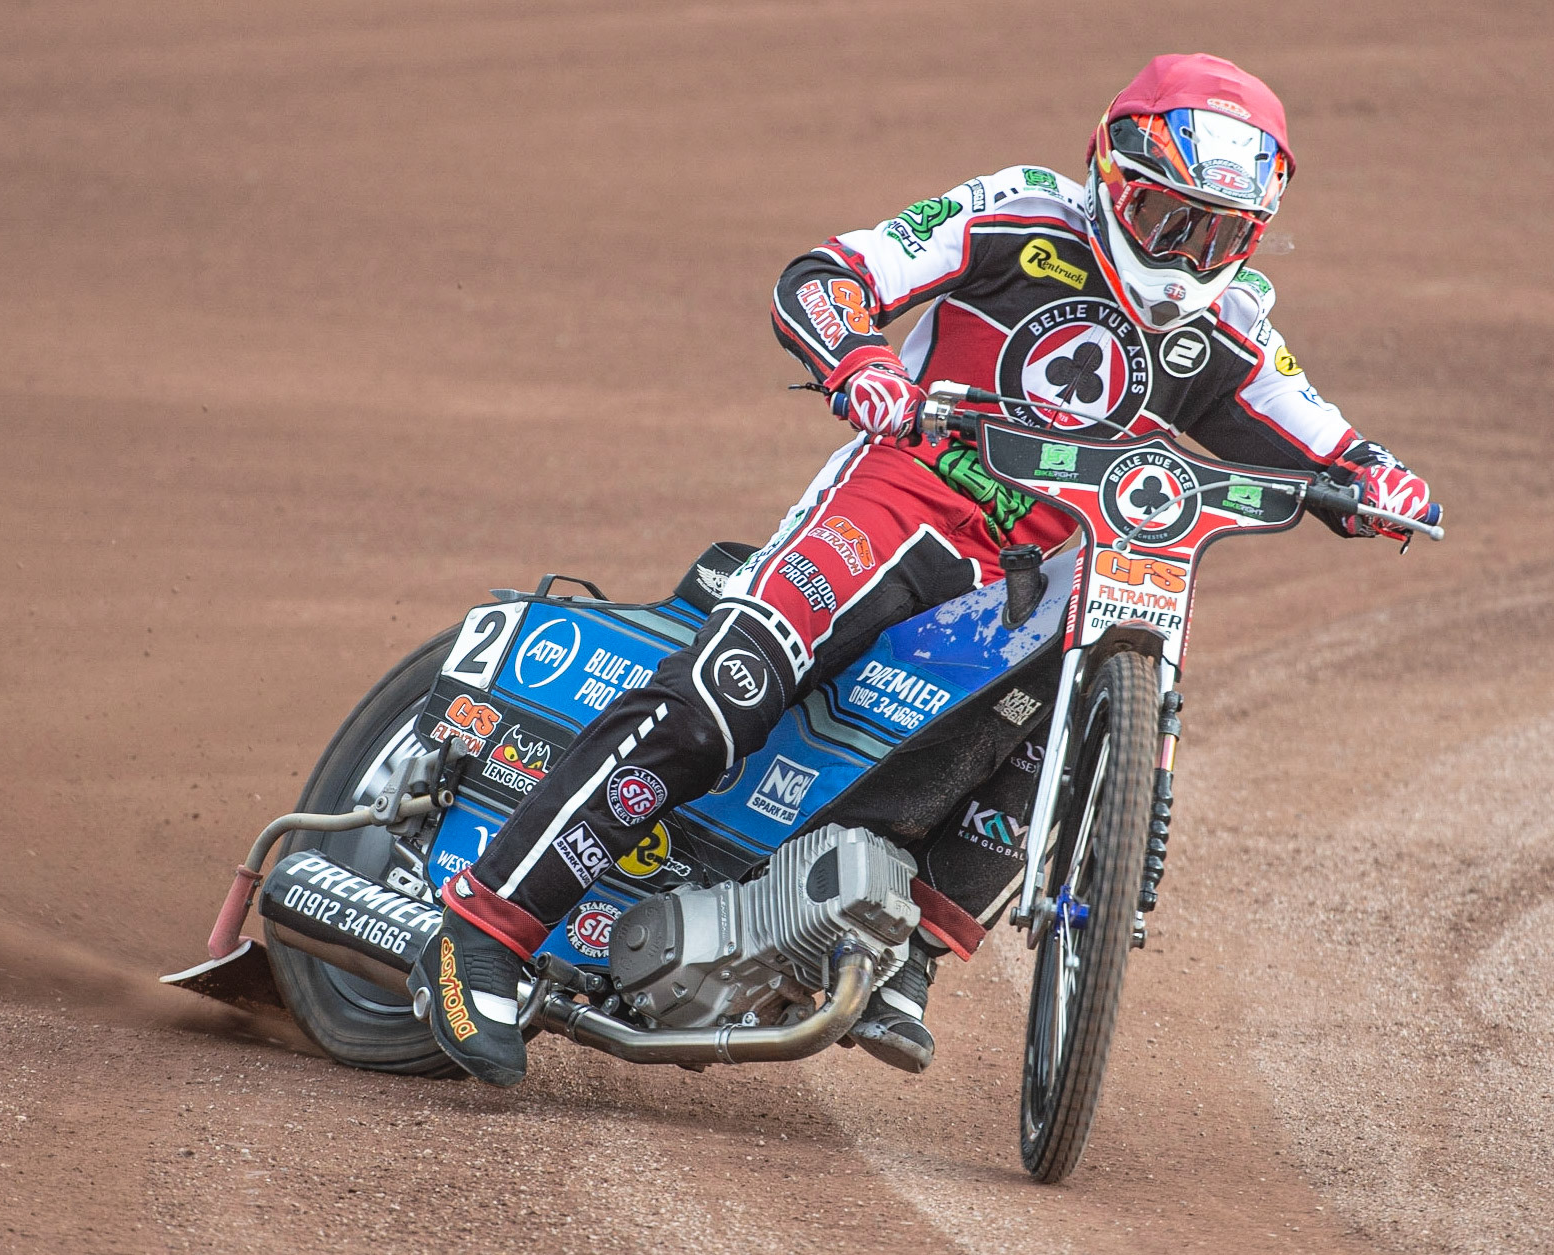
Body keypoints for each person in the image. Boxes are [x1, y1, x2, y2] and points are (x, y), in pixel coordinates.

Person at [407, 52, 1437, 1086]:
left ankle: (909, 944)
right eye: (1168, 218)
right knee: (729, 691)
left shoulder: (1230, 321)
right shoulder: (1021, 213)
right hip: (898, 497)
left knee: (1078, 674)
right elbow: (826, 277)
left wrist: (1377, 479)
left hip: (1031, 568)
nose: (1185, 254)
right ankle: (485, 928)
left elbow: (1318, 432)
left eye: (1214, 234)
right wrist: (858, 359)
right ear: (1111, 176)